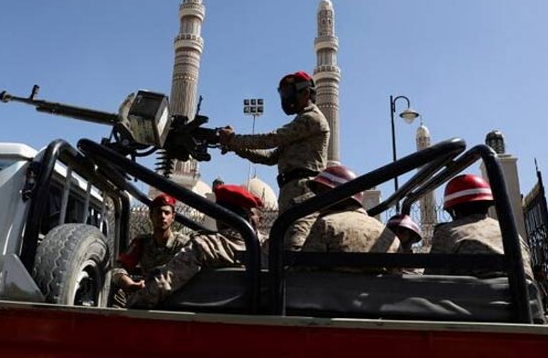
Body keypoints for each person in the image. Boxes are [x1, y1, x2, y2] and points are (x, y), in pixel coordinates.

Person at [219, 71, 329, 251]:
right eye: (283, 93)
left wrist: (234, 139)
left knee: (293, 249)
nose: (285, 99)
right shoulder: (300, 123)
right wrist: (235, 147)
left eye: (288, 93)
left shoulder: (311, 119)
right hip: (290, 194)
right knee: (281, 249)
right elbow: (270, 157)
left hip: (304, 194)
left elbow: (272, 139)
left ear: (306, 93)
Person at [127, 184, 262, 309]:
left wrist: (133, 302)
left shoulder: (206, 246)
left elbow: (166, 282)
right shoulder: (266, 246)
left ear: (220, 216)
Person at [425, 174, 533, 279]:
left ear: (453, 210)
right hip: (523, 295)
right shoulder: (510, 233)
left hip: (473, 296)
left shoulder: (448, 232)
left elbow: (432, 278)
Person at [301, 165, 400, 272]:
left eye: (322, 192)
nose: (318, 199)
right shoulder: (390, 236)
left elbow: (303, 272)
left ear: (340, 195)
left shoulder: (326, 225)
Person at [110, 194, 191, 306]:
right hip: (147, 293)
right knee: (117, 296)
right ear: (151, 216)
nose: (162, 216)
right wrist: (128, 283)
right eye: (158, 212)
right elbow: (119, 266)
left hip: (174, 296)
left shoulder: (183, 244)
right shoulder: (142, 242)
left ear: (173, 217)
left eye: (167, 213)